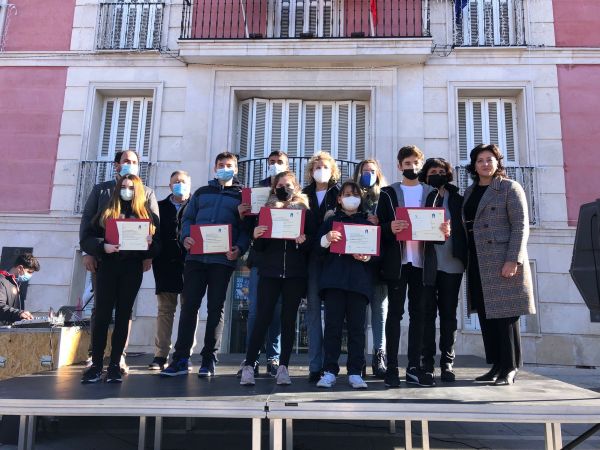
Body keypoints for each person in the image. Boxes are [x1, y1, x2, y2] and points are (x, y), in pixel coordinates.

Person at [161, 152, 250, 378]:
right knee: (189, 307)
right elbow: (187, 219)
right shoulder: (201, 192)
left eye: (229, 165)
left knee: (215, 309)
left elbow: (245, 230)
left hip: (223, 260)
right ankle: (180, 358)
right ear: (214, 168)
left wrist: (238, 249)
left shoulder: (242, 196)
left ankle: (209, 358)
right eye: (220, 165)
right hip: (195, 259)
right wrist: (186, 237)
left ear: (236, 169)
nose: (224, 168)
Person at [80, 149, 159, 372]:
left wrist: (148, 252)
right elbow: (87, 225)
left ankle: (118, 357)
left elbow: (155, 229)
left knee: (124, 312)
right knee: (101, 310)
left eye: (134, 162)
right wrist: (89, 252)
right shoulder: (101, 190)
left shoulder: (148, 193)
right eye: (126, 161)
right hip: (103, 261)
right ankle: (94, 358)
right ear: (117, 165)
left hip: (132, 264)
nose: (130, 165)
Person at [377, 145, 449, 388]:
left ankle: (414, 368)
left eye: (415, 164)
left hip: (422, 262)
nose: (412, 168)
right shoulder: (387, 193)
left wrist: (443, 231)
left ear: (421, 165)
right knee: (394, 315)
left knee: (420, 315)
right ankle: (392, 368)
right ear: (399, 166)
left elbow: (438, 226)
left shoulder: (431, 192)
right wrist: (389, 228)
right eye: (407, 164)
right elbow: (380, 228)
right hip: (398, 263)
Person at [463, 144, 535, 386]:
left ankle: (510, 366)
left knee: (506, 315)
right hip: (477, 259)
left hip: (501, 258)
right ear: (474, 165)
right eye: (480, 160)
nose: (485, 164)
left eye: (490, 159)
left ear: (497, 162)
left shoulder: (509, 187)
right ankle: (495, 365)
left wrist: (513, 259)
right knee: (486, 314)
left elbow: (521, 226)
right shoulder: (470, 191)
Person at [240, 171, 314, 386]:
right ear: (274, 189)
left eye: (289, 185)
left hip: (294, 274)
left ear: (296, 187)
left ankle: (283, 367)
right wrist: (256, 236)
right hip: (270, 272)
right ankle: (249, 365)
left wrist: (303, 240)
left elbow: (311, 245)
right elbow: (260, 247)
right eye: (280, 185)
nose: (285, 188)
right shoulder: (267, 211)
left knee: (288, 321)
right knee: (262, 318)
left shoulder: (305, 212)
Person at [316, 181, 375, 389]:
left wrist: (367, 257)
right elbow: (316, 251)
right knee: (332, 328)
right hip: (334, 283)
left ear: (361, 199)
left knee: (357, 330)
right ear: (339, 199)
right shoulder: (331, 222)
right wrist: (326, 239)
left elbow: (378, 256)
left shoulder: (368, 224)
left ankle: (355, 372)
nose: (351, 197)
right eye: (347, 194)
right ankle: (330, 370)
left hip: (359, 284)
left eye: (355, 194)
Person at [237, 150, 289, 377]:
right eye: (272, 162)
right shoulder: (256, 192)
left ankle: (274, 358)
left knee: (277, 311)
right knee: (256, 311)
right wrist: (243, 216)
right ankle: (251, 358)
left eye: (279, 163)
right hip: (260, 259)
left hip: (282, 261)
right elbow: (248, 230)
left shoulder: (292, 193)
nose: (275, 165)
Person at [419, 158, 467, 382]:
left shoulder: (457, 197)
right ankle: (426, 362)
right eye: (433, 172)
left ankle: (447, 362)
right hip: (427, 263)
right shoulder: (421, 195)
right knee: (427, 315)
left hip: (452, 262)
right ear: (425, 175)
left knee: (448, 315)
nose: (437, 174)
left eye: (441, 171)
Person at [302, 151, 341, 382]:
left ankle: (330, 365)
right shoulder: (303, 194)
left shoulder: (340, 194)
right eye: (316, 166)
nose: (321, 169)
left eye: (325, 166)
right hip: (312, 259)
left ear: (333, 169)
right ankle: (315, 365)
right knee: (313, 314)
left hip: (335, 260)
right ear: (310, 171)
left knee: (335, 316)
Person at [148, 171, 192, 371]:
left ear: (189, 185)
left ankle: (185, 354)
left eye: (183, 182)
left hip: (191, 264)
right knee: (165, 311)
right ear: (169, 185)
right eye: (176, 182)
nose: (179, 185)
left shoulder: (195, 204)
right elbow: (152, 233)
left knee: (190, 311)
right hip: (165, 264)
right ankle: (160, 355)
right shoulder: (159, 207)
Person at [352, 159, 389, 378]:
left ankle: (379, 355)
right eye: (364, 171)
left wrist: (379, 222)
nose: (368, 174)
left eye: (372, 171)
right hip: (354, 262)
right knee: (357, 313)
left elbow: (392, 226)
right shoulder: (352, 196)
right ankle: (358, 359)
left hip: (377, 262)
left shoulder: (384, 196)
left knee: (380, 310)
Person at [0, 253, 40, 324]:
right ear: (20, 268)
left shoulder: (16, 283)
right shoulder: (2, 280)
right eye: (29, 272)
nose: (30, 275)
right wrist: (19, 313)